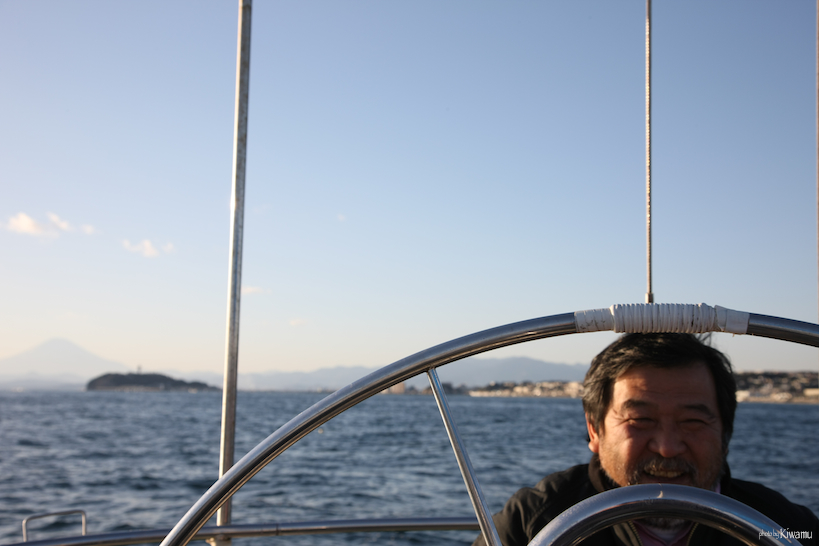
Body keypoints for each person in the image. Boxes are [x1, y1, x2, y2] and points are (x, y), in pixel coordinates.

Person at [473, 333, 818, 546]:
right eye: (640, 420)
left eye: (693, 421)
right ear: (594, 430)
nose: (667, 447)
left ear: (726, 433)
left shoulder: (785, 527)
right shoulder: (534, 521)